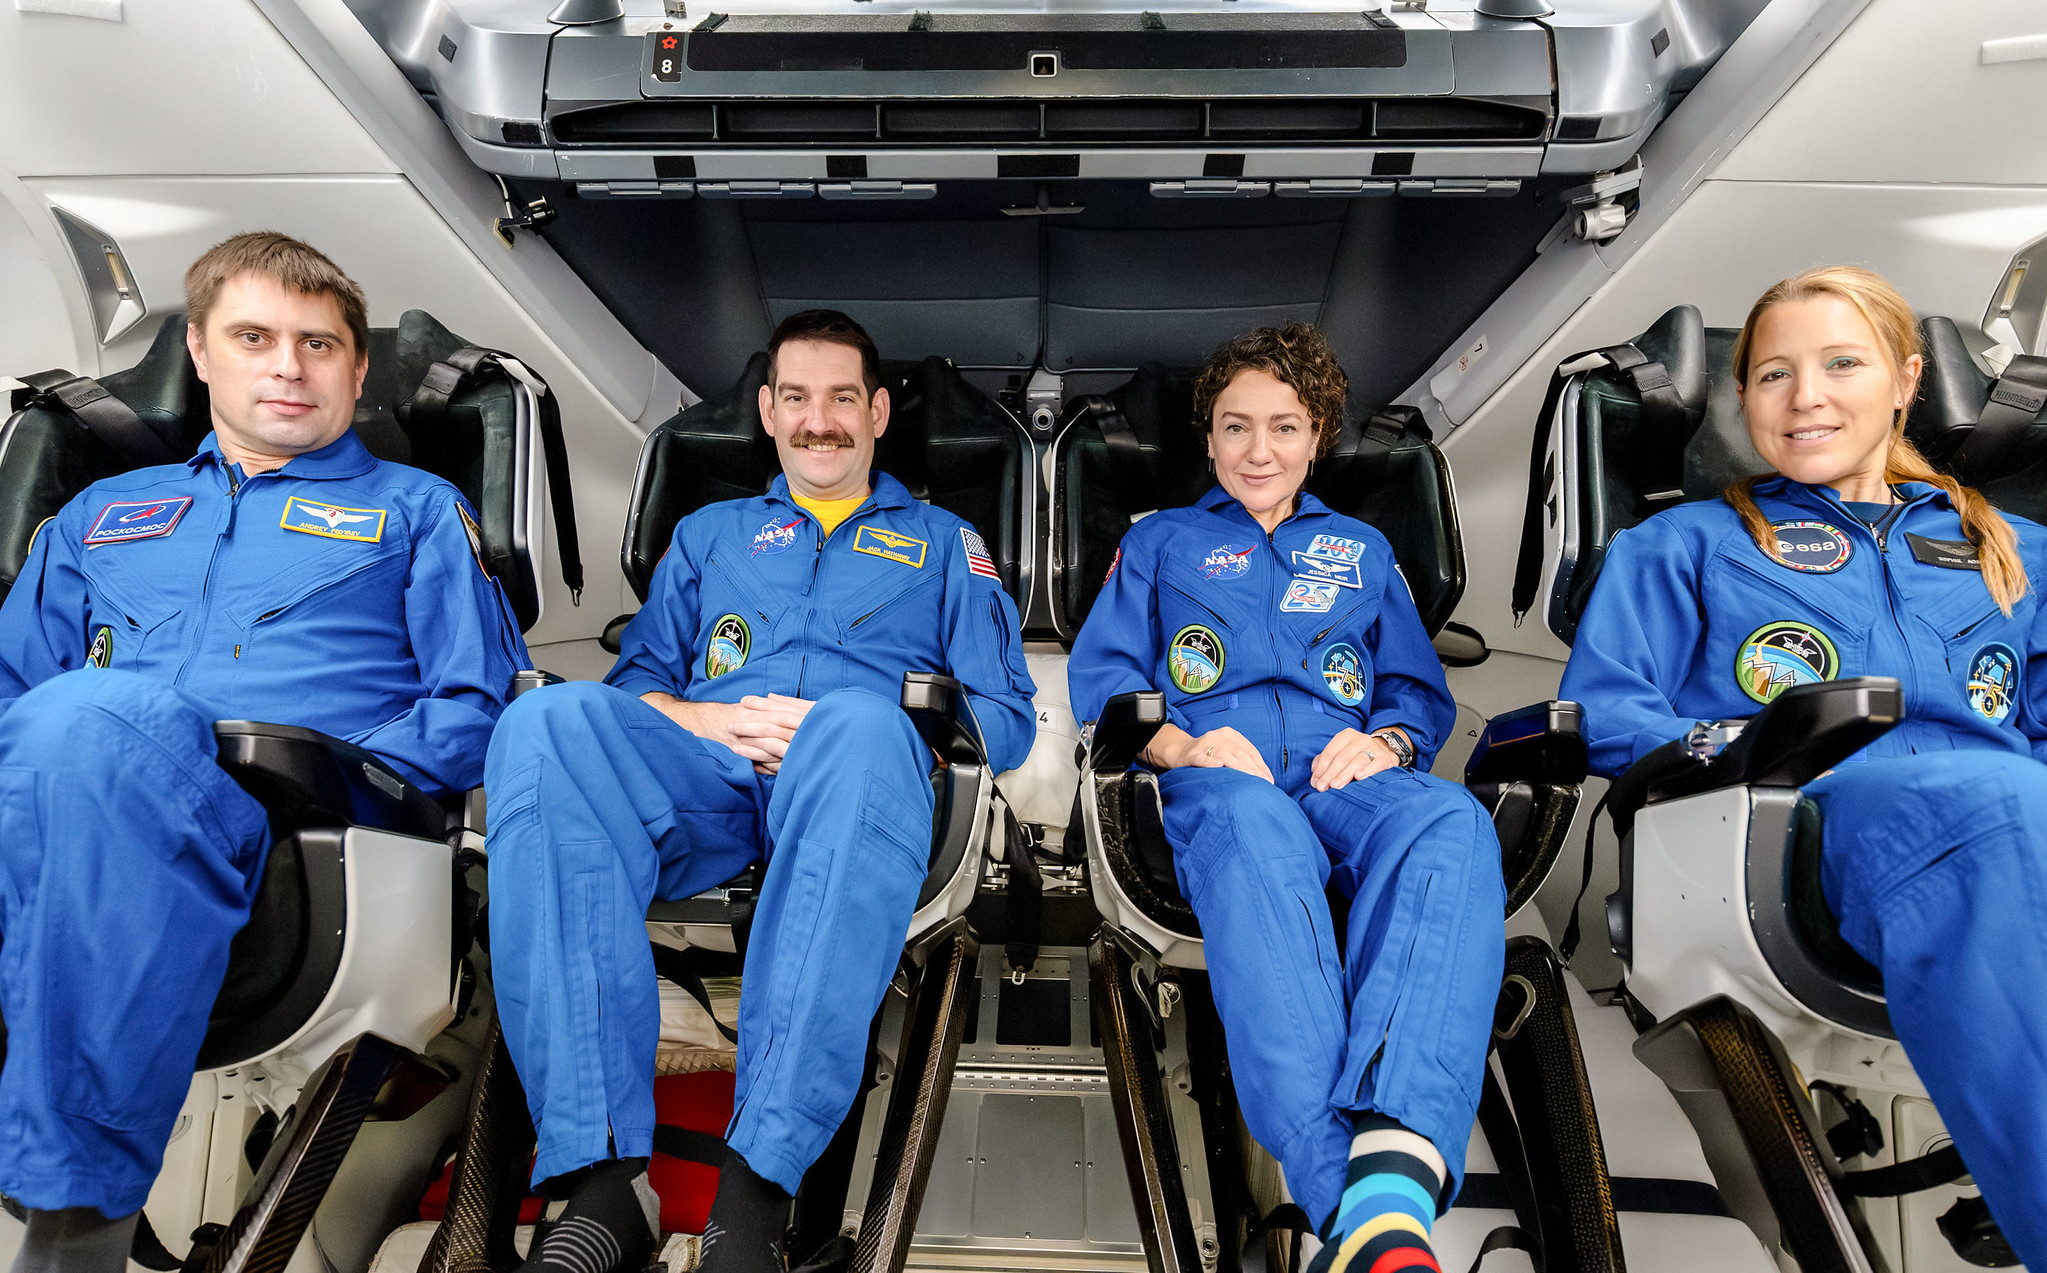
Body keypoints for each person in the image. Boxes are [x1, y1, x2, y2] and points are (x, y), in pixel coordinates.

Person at [0, 232, 530, 1273]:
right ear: (200, 352)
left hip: (289, 827)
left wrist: (332, 770)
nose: (288, 365)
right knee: (78, 729)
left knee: (101, 713)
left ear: (356, 369)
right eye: (254, 337)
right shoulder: (97, 517)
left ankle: (72, 1223)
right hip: (64, 808)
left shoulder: (417, 512)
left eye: (317, 343)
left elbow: (474, 709)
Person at [485, 310, 1036, 1273]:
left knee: (857, 725)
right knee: (546, 722)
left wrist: (858, 726)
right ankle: (604, 1187)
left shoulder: (947, 543)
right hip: (705, 774)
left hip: (857, 783)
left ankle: (752, 1204)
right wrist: (705, 721)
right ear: (770, 412)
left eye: (840, 398)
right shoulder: (707, 536)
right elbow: (637, 687)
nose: (818, 420)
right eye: (796, 398)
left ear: (876, 413)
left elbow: (1007, 718)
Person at [1560, 264, 2047, 1266]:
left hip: (2014, 823)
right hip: (1798, 835)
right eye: (1772, 374)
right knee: (1996, 802)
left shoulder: (2017, 550)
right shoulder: (1684, 543)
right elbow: (1606, 710)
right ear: (1742, 398)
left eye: (1840, 364)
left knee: (2009, 802)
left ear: (1904, 380)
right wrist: (1740, 745)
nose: (1803, 396)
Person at [1068, 324, 1503, 1273]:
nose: (1257, 450)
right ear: (1208, 438)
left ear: (1317, 438)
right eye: (1235, 426)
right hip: (1217, 773)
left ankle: (1386, 1176)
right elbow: (1103, 682)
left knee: (1450, 820)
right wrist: (1183, 744)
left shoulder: (1362, 549)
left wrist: (1386, 741)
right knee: (1253, 824)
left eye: (1283, 426)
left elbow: (1416, 692)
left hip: (1343, 769)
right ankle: (1360, 1208)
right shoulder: (1158, 542)